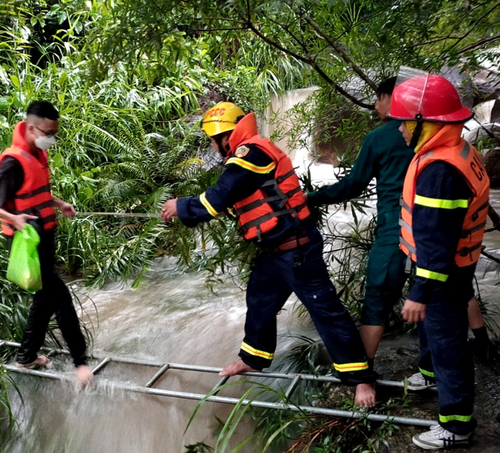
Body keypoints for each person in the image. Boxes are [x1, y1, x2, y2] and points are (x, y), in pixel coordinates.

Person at [161, 101, 378, 407]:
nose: (212, 146)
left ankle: (362, 380)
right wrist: (186, 214)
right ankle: (253, 358)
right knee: (260, 300)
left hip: (297, 247)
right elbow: (232, 199)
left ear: (224, 135)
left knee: (326, 311)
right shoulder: (245, 154)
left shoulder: (251, 152)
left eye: (212, 140)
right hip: (276, 251)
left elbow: (220, 196)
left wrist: (179, 206)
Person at [307, 78, 493, 382]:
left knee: (379, 296)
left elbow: (353, 185)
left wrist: (312, 198)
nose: (379, 107)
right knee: (450, 288)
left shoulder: (381, 138)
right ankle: (478, 348)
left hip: (398, 230)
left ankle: (361, 373)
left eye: (379, 99)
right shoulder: (454, 143)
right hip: (444, 232)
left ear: (392, 100)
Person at [390, 72, 488, 449]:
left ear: (424, 122)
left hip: (443, 274)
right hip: (456, 269)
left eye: (403, 121)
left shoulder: (439, 172)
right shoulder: (454, 151)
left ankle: (456, 426)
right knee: (436, 333)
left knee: (449, 345)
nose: (399, 129)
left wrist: (419, 291)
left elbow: (436, 243)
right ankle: (430, 376)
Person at [0, 100, 93, 387]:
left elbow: (37, 191)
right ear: (31, 127)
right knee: (60, 296)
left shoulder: (37, 153)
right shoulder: (12, 161)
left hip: (45, 234)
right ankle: (80, 362)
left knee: (44, 298)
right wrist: (13, 218)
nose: (51, 138)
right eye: (47, 132)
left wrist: (61, 203)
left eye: (54, 133)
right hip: (26, 241)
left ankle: (27, 355)